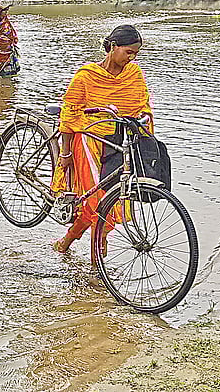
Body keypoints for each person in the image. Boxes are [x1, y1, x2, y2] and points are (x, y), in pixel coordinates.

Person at [52, 24, 154, 263]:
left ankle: (65, 243)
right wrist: (65, 154)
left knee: (112, 196)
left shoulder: (134, 74)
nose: (132, 58)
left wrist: (145, 128)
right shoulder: (87, 76)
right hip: (88, 139)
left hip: (118, 140)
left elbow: (142, 106)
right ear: (113, 47)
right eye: (129, 52)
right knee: (97, 199)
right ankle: (97, 268)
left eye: (136, 53)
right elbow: (70, 115)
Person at [0, 4, 20, 76]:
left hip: (8, 45)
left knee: (9, 63)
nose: (6, 13)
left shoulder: (5, 20)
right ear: (0, 11)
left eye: (7, 11)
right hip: (1, 44)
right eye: (4, 11)